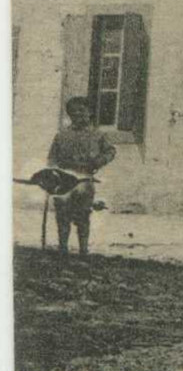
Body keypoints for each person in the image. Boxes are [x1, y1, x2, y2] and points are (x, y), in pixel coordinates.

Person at [44, 97, 116, 256]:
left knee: (83, 215)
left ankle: (83, 250)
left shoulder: (97, 135)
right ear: (70, 115)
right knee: (62, 215)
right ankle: (62, 248)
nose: (79, 115)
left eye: (83, 111)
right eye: (75, 112)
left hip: (84, 180)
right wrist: (51, 176)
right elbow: (52, 158)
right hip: (63, 181)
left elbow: (110, 151)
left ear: (89, 113)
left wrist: (98, 162)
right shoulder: (62, 136)